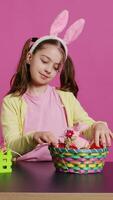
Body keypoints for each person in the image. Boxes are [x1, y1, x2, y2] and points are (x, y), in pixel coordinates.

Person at [0, 10, 113, 161]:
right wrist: (33, 137)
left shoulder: (65, 98)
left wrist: (99, 126)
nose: (48, 70)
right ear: (29, 57)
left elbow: (86, 127)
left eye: (55, 67)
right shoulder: (11, 102)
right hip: (24, 172)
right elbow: (11, 148)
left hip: (62, 168)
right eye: (44, 61)